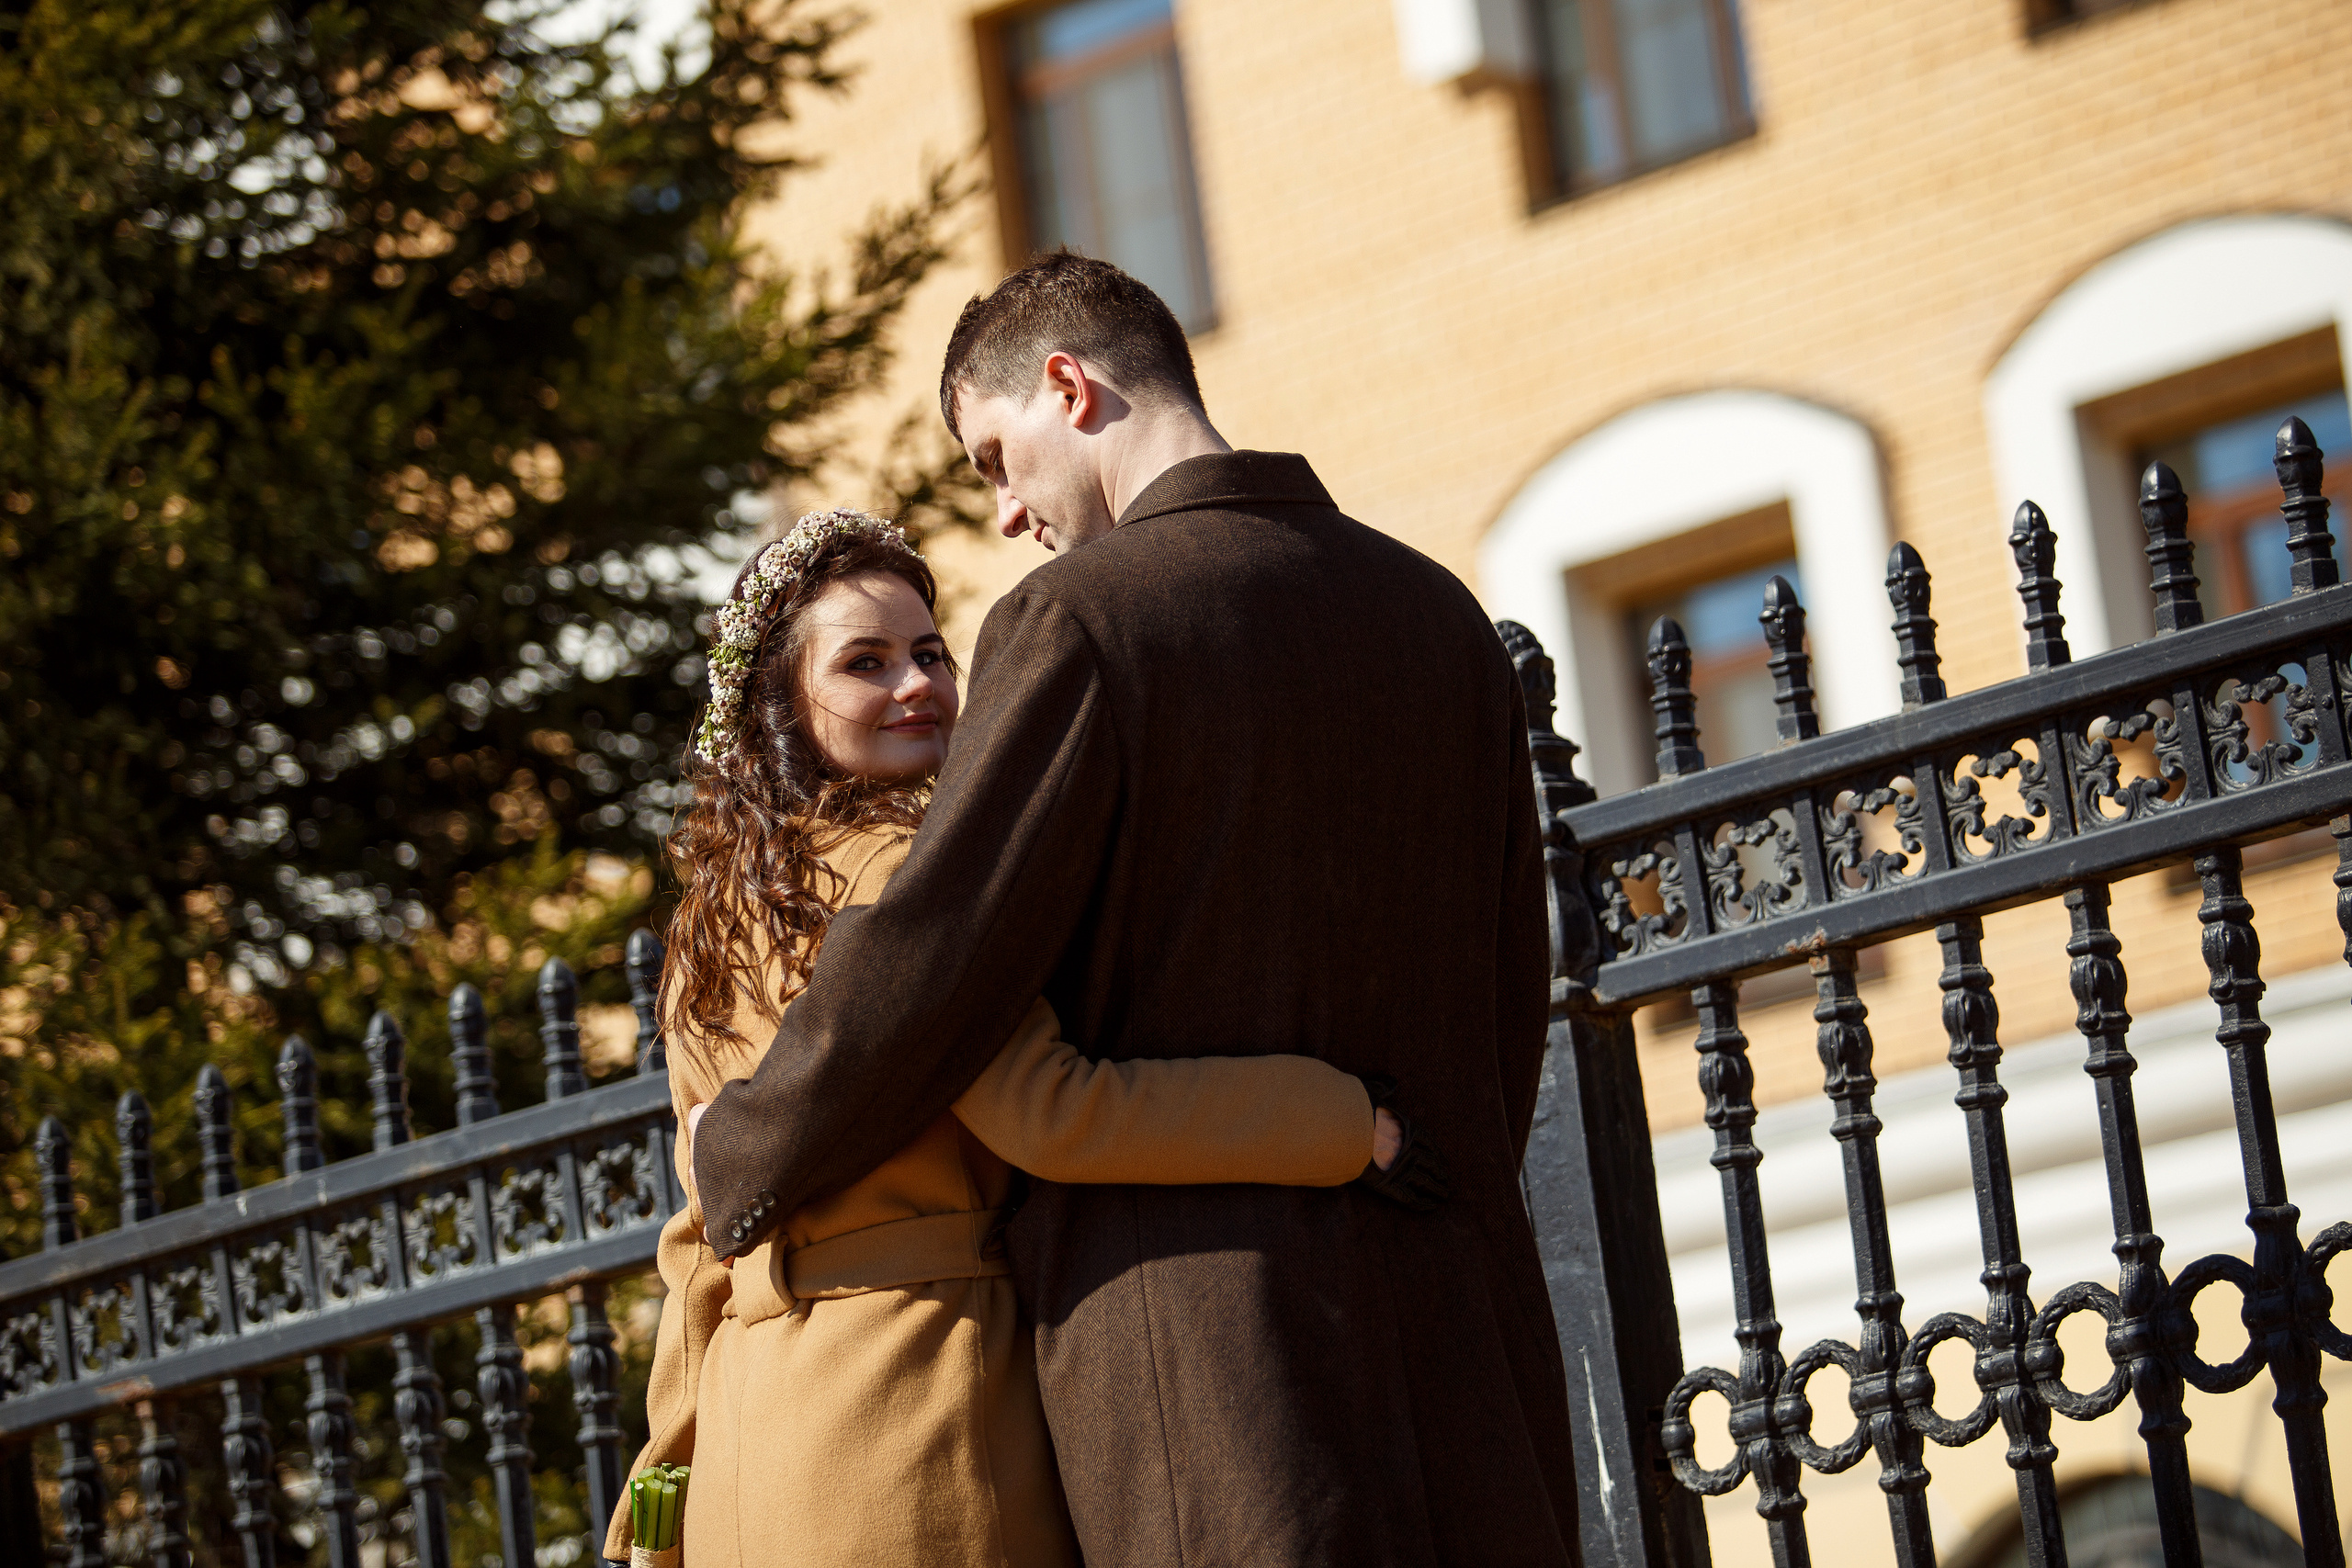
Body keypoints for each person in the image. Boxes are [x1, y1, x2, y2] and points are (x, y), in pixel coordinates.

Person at [692, 254, 1577, 1566]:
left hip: (1208, 1380)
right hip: (1464, 1346)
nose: (1007, 514)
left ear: (1068, 386)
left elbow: (940, 955)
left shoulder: (1080, 620)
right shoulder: (1438, 611)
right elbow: (1510, 989)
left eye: (996, 460)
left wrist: (742, 1144)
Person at [602, 510, 1428, 1568]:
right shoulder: (906, 872)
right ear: (781, 704)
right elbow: (1050, 1111)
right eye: (865, 662)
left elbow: (696, 1246)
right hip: (909, 1423)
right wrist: (1344, 1122)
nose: (917, 684)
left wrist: (656, 1511)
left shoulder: (709, 928)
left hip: (746, 1459)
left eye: (930, 652)